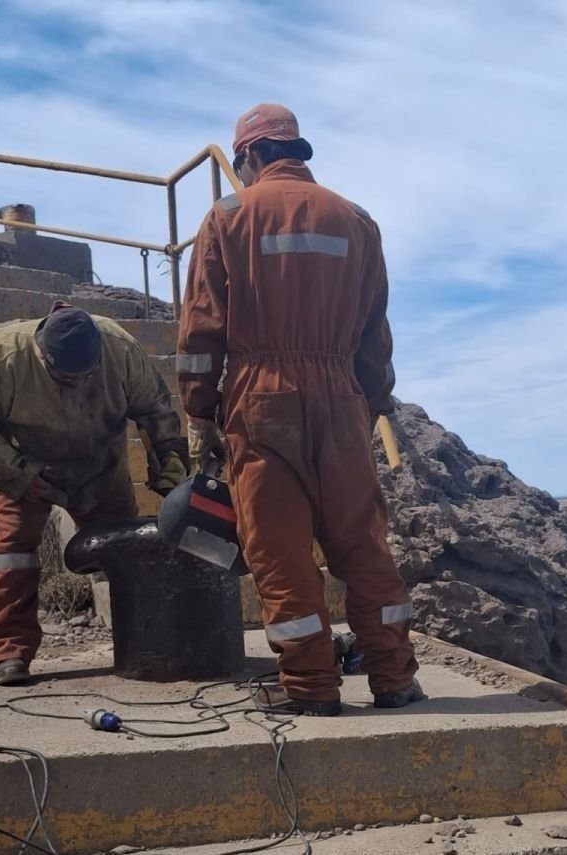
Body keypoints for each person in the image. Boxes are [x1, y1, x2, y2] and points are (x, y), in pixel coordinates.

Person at [177, 103, 422, 716]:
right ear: (296, 150)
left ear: (250, 156)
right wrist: (366, 403)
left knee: (280, 549)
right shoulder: (358, 221)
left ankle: (312, 689)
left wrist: (199, 410)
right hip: (342, 397)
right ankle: (393, 678)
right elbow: (375, 335)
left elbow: (201, 332)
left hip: (262, 399)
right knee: (363, 544)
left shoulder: (228, 216)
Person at [0, 302, 188, 685]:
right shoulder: (1, 357)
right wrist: (19, 475)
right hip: (26, 468)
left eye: (85, 376)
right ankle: (8, 649)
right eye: (64, 377)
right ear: (41, 353)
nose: (76, 385)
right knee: (14, 555)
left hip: (101, 469)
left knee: (125, 553)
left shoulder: (119, 349)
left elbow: (156, 412)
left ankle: (143, 643)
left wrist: (171, 469)